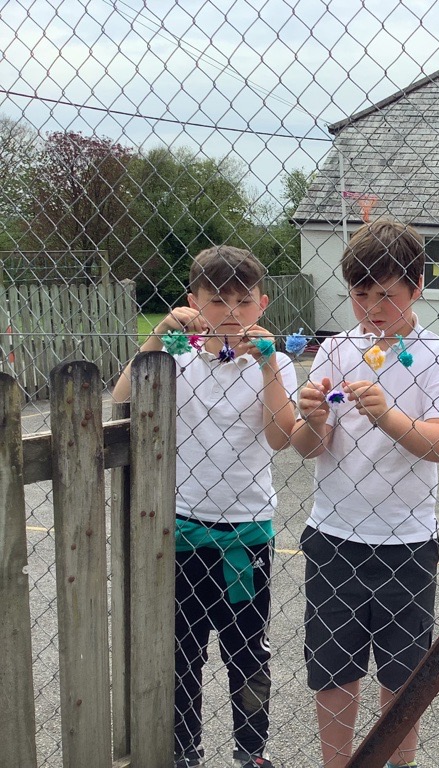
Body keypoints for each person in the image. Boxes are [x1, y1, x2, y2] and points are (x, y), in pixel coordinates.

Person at [290, 218, 439, 768]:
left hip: (407, 542)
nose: (371, 307)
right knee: (333, 669)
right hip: (333, 536)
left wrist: (389, 416)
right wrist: (311, 417)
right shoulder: (335, 351)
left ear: (416, 287)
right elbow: (307, 448)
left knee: (403, 675)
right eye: (360, 293)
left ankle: (398, 761)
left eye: (385, 293)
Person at [113, 245, 297, 768]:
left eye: (243, 301)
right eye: (217, 300)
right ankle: (183, 751)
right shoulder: (178, 358)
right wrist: (156, 337)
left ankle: (250, 751)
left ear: (262, 304)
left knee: (248, 655)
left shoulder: (275, 363)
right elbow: (122, 400)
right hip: (185, 533)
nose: (232, 313)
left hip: (246, 539)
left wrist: (268, 370)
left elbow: (282, 437)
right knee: (182, 655)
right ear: (193, 303)